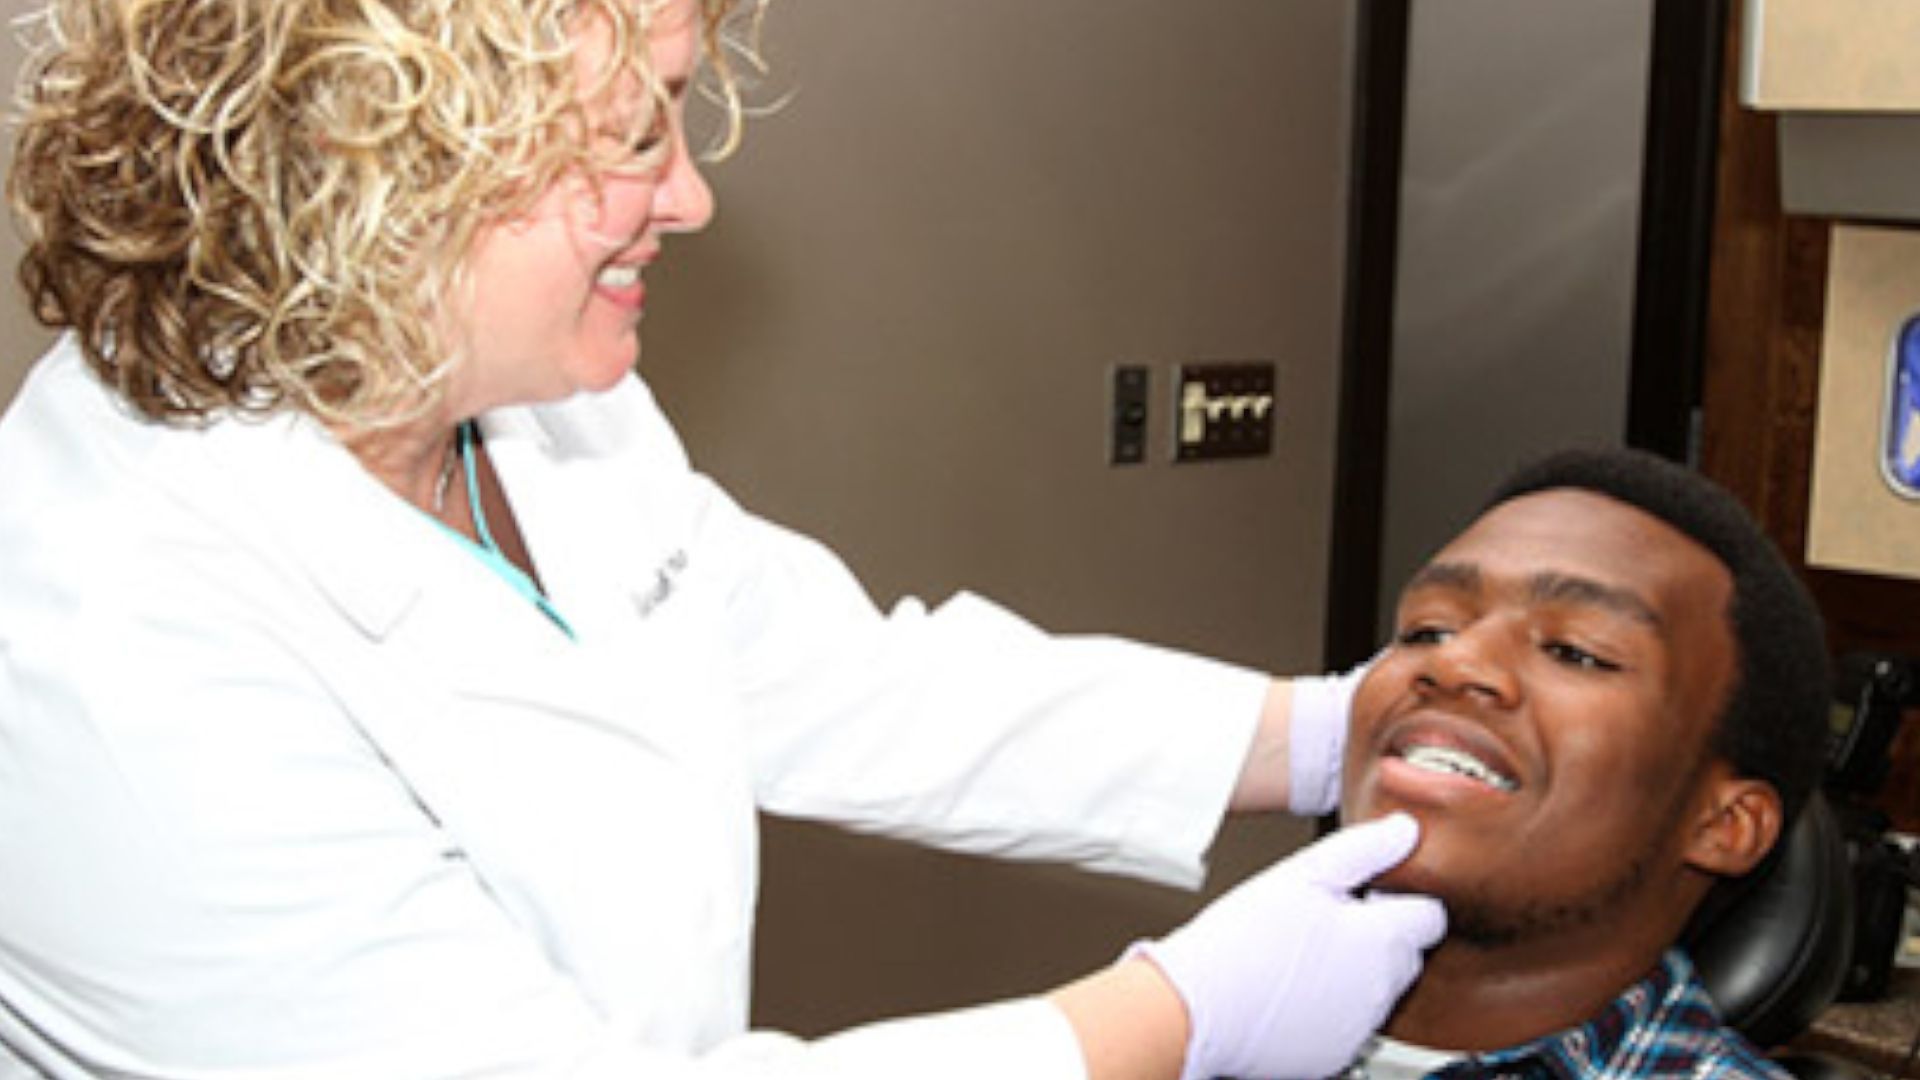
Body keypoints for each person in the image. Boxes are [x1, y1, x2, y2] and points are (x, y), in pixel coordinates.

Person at [0, 0, 1445, 1077]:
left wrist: (1319, 734)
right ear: (382, 179)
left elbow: (849, 685)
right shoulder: (106, 643)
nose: (689, 196)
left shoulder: (533, 410)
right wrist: (1174, 1019)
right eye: (637, 136)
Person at [1334, 447, 1830, 1079]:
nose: (1452, 662)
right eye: (1426, 630)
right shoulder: (1198, 1023)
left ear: (1723, 825)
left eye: (1575, 652)